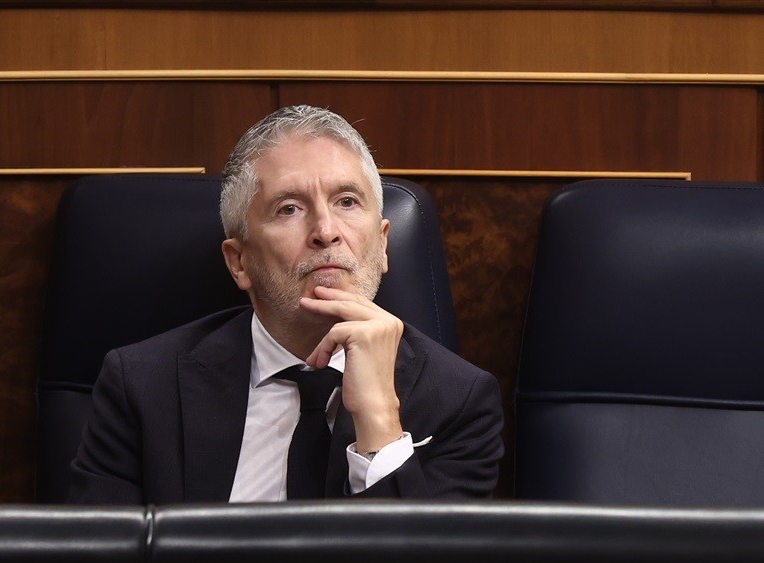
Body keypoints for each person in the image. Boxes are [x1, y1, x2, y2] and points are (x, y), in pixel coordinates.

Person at [68, 106, 504, 503]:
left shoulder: (458, 402)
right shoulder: (142, 387)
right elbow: (102, 561)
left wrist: (379, 417)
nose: (326, 231)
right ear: (239, 262)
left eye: (347, 201)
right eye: (289, 209)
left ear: (383, 243)